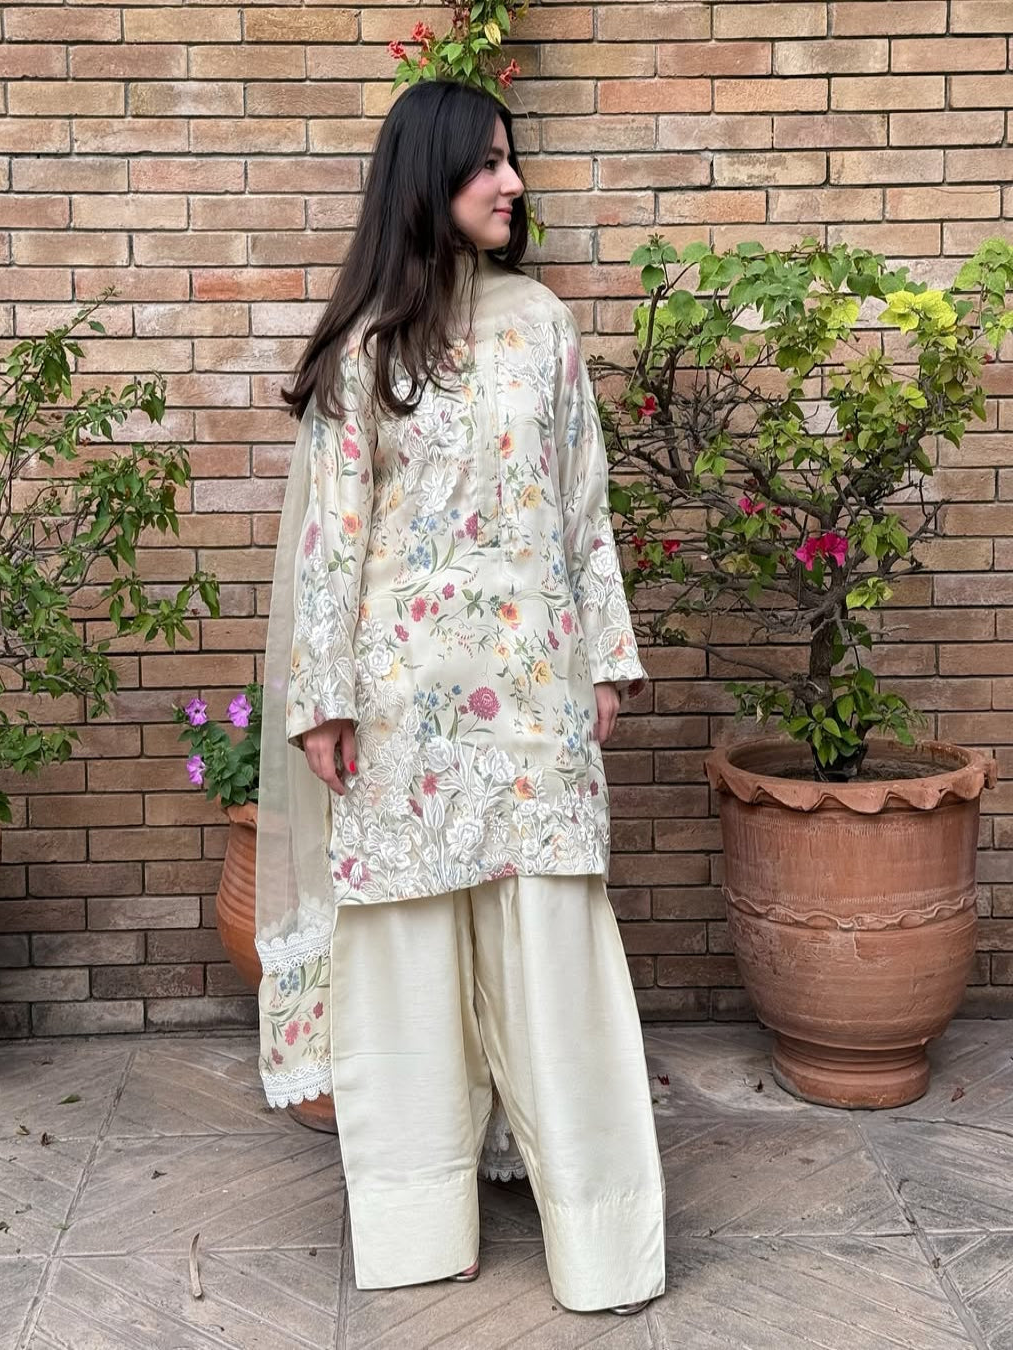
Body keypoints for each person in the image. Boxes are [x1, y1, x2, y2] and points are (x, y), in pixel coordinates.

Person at [253, 77, 665, 1316]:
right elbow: (332, 539)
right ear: (427, 175)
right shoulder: (368, 348)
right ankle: (418, 1227)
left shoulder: (544, 325)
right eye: (488, 162)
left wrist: (605, 657)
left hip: (535, 697)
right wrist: (323, 700)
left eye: (511, 160)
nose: (513, 184)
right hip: (402, 710)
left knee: (560, 959)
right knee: (405, 971)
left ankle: (603, 1242)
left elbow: (583, 503)